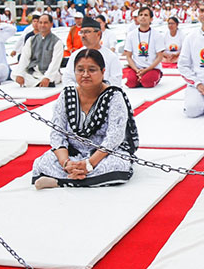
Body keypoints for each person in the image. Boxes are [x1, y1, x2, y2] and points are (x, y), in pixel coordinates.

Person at [31, 49, 138, 189]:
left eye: (92, 70)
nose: (85, 75)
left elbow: (114, 137)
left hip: (104, 154)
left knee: (117, 166)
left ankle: (60, 181)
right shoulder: (66, 95)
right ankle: (77, 176)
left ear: (103, 71)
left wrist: (90, 163)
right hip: (73, 153)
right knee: (42, 163)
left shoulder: (114, 96)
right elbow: (57, 133)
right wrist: (66, 163)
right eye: (80, 70)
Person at [64, 18, 122, 87]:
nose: (83, 35)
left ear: (98, 34)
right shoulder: (75, 55)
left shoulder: (111, 57)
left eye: (87, 32)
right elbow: (67, 78)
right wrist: (82, 91)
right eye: (81, 32)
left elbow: (116, 82)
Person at [12, 14, 64, 88]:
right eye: (40, 22)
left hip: (49, 73)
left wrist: (47, 77)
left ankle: (40, 82)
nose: (42, 25)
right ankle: (39, 83)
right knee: (15, 73)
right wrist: (20, 74)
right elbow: (24, 58)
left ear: (51, 24)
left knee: (54, 76)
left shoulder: (57, 42)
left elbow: (55, 62)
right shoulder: (31, 40)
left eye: (45, 23)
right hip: (34, 72)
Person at [123, 7, 165, 88]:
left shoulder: (157, 35)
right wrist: (137, 70)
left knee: (147, 83)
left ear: (151, 19)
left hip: (152, 68)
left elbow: (160, 57)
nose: (143, 17)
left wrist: (146, 70)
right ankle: (140, 77)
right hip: (137, 68)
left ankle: (157, 75)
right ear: (138, 18)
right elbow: (128, 56)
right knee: (131, 83)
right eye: (140, 15)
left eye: (146, 15)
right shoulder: (131, 35)